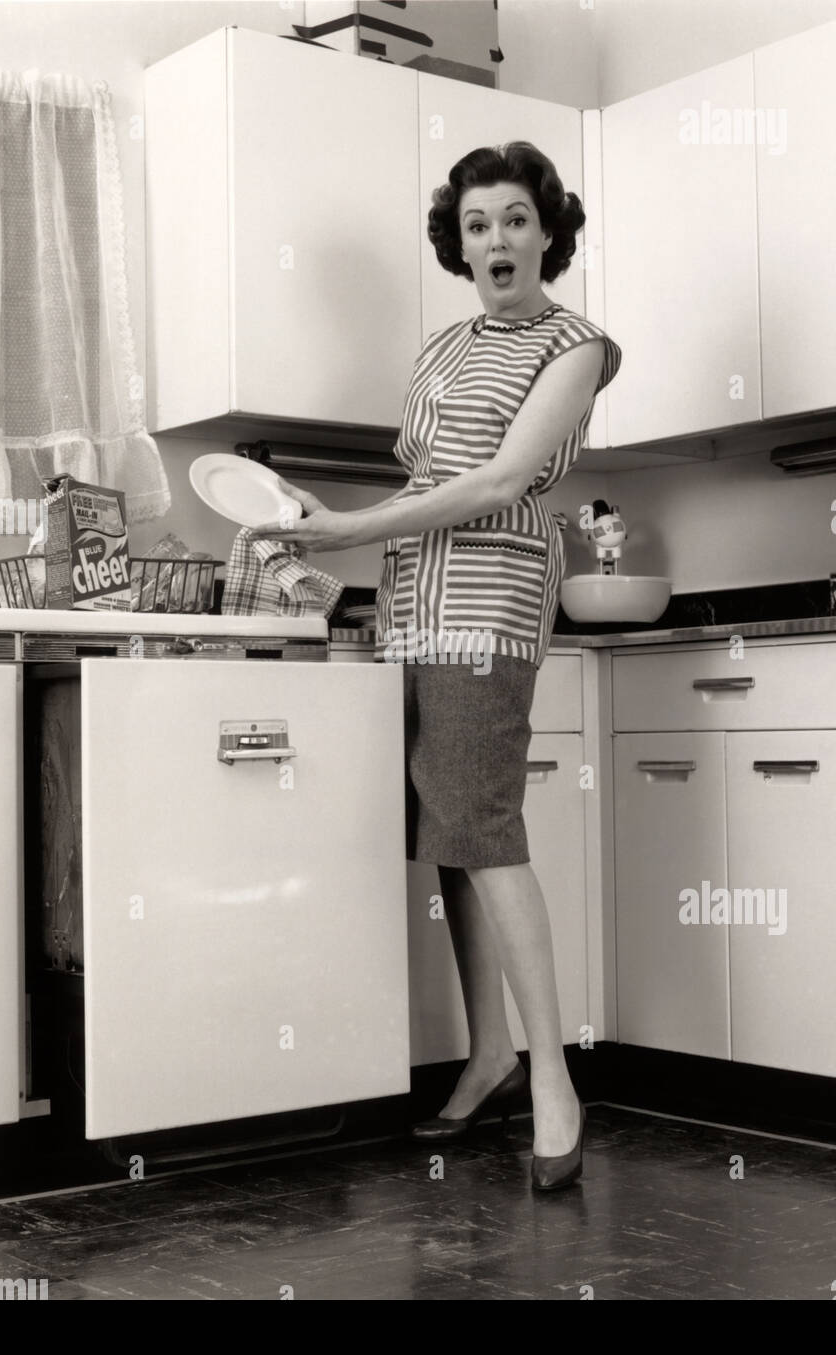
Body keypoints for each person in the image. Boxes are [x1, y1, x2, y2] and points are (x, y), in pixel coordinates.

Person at [251, 141, 620, 1192]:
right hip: (409, 604)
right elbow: (426, 476)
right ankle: (490, 1050)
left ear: (547, 231)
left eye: (513, 218)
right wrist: (331, 544)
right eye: (474, 225)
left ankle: (553, 1076)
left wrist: (349, 527)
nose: (495, 239)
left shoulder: (578, 345)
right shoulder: (438, 347)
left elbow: (501, 479)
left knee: (486, 827)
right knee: (448, 835)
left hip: (486, 608)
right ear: (456, 246)